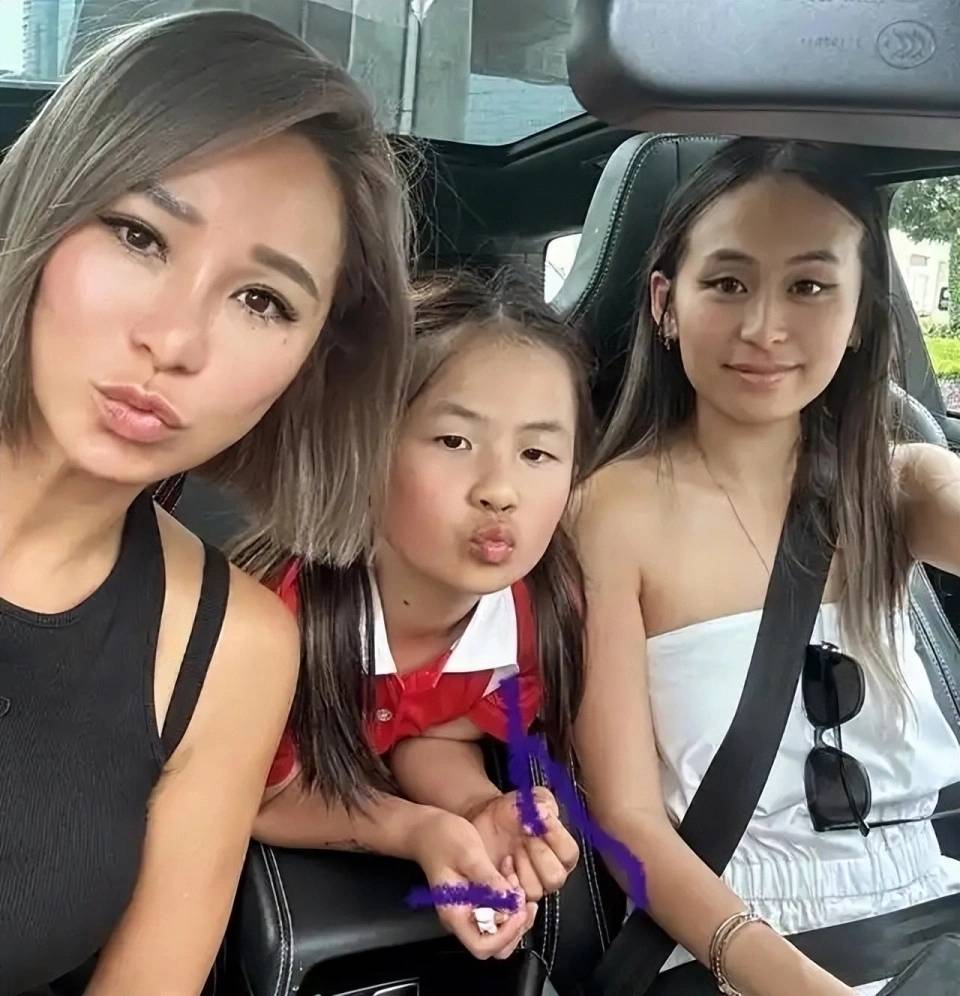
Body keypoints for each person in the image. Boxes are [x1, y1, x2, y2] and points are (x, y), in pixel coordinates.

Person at [0, 11, 411, 995]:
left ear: (313, 362)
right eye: (139, 235)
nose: (175, 340)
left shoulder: (231, 651)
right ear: (45, 203)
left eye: (262, 300)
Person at [575, 138, 960, 996]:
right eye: (728, 283)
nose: (764, 329)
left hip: (934, 921)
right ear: (666, 305)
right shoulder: (608, 515)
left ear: (861, 317)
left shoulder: (904, 484)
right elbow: (627, 818)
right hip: (732, 944)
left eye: (810, 287)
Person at [252, 268, 591, 960]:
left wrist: (474, 809)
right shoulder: (280, 623)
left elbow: (434, 726)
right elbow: (262, 795)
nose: (500, 489)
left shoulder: (532, 622)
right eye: (454, 442)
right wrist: (414, 830)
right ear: (366, 447)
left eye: (537, 453)